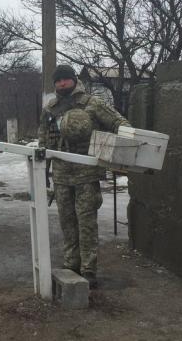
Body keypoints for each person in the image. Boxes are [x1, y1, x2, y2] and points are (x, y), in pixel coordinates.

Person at [38, 64, 130, 289]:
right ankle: (71, 265)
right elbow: (43, 140)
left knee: (86, 223)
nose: (61, 83)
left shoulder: (92, 103)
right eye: (58, 80)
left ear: (73, 80)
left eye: (65, 79)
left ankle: (89, 269)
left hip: (86, 174)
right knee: (67, 223)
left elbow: (120, 124)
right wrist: (43, 172)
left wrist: (121, 151)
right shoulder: (50, 109)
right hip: (61, 174)